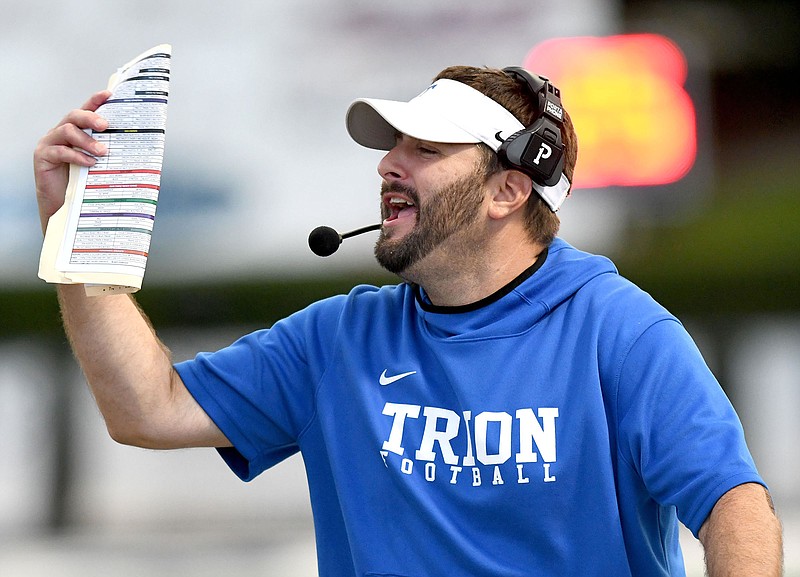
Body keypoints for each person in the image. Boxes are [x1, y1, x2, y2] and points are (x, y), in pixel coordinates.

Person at [34, 65, 783, 576]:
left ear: (508, 191)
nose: (389, 163)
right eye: (392, 146)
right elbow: (146, 408)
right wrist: (79, 235)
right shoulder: (335, 339)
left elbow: (731, 502)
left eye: (425, 148)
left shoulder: (620, 330)